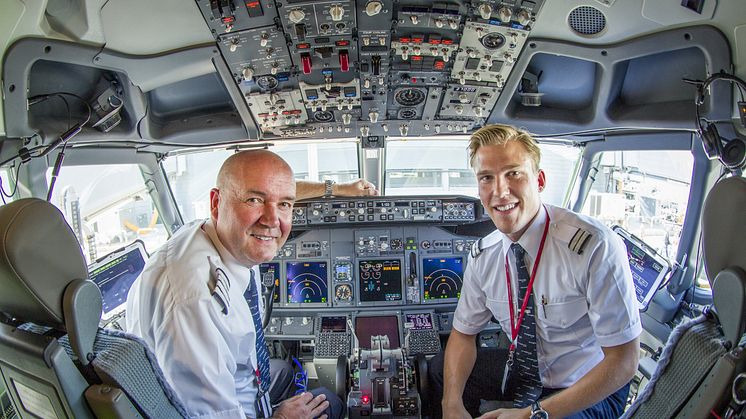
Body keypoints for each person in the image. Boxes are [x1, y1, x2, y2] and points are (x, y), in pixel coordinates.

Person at [430, 124, 641, 419]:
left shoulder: (594, 247)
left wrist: (531, 415)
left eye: (513, 173)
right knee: (438, 371)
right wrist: (451, 404)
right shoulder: (483, 256)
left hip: (586, 386)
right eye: (487, 178)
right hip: (523, 373)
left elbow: (625, 361)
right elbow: (464, 335)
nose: (500, 191)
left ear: (539, 180)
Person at [126, 150, 353, 419]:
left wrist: (338, 189)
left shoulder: (210, 237)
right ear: (216, 202)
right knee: (331, 401)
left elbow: (276, 193)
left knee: (285, 369)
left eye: (284, 205)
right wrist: (279, 417)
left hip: (240, 385)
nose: (272, 221)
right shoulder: (195, 302)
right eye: (254, 200)